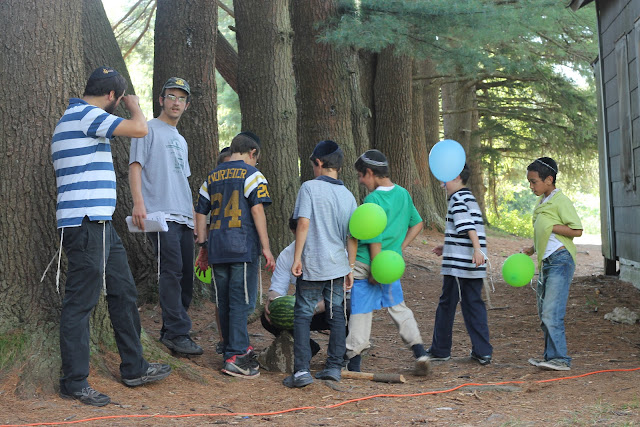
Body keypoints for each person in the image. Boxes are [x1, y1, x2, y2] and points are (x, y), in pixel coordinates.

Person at [52, 67, 171, 407]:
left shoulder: (81, 117)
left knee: (123, 291)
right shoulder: (86, 115)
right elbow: (140, 129)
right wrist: (134, 106)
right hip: (85, 223)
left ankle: (135, 367)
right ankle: (74, 381)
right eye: (118, 99)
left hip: (100, 223)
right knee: (80, 303)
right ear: (111, 96)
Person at [129, 77, 202, 356]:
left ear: (187, 105)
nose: (176, 102)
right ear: (161, 100)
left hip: (184, 217)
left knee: (186, 276)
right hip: (160, 214)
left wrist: (194, 218)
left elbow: (182, 179)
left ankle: (171, 330)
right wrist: (138, 203)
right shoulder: (146, 129)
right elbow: (135, 167)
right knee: (171, 271)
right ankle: (177, 332)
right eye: (171, 96)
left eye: (181, 98)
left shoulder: (181, 140)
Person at [194, 131, 276, 379]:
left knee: (225, 301)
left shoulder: (212, 176)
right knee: (241, 301)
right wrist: (266, 247)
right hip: (242, 247)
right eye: (256, 158)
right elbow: (257, 210)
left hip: (217, 247)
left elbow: (200, 212)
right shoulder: (253, 175)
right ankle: (238, 355)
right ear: (253, 153)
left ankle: (231, 348)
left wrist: (203, 245)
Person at [344, 150, 430, 375]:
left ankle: (354, 362)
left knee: (361, 311)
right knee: (398, 307)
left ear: (370, 172)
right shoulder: (403, 194)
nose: (361, 181)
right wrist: (399, 249)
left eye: (361, 176)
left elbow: (374, 237)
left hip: (368, 264)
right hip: (390, 266)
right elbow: (418, 224)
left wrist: (375, 267)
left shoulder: (373, 199)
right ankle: (420, 352)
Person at [283, 140, 357, 388]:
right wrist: (350, 267)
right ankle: (334, 367)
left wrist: (297, 258)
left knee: (302, 315)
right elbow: (353, 236)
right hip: (338, 266)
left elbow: (303, 223)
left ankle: (302, 371)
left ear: (318, 163)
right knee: (336, 315)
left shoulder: (309, 188)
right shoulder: (348, 196)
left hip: (313, 263)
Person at [428, 164, 492, 366]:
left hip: (458, 267)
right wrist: (447, 247)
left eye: (444, 180)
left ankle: (440, 350)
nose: (442, 185)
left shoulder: (457, 199)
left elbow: (468, 226)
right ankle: (483, 351)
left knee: (446, 305)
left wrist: (477, 249)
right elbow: (464, 229)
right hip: (471, 264)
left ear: (456, 177)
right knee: (474, 305)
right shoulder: (469, 197)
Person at [523, 157, 582, 371]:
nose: (531, 186)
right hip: (546, 262)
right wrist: (532, 249)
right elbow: (544, 233)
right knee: (544, 311)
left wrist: (550, 225)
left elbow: (577, 230)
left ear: (549, 179)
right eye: (529, 182)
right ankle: (550, 357)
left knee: (552, 311)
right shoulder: (542, 202)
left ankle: (561, 359)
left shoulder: (560, 200)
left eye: (534, 182)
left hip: (561, 260)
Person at [262, 216, 350, 358]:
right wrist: (272, 300)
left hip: (329, 308)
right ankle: (308, 348)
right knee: (268, 317)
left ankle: (343, 355)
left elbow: (345, 290)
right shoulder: (287, 255)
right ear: (293, 231)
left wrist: (315, 308)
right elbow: (277, 288)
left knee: (349, 309)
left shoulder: (335, 251)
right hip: (302, 311)